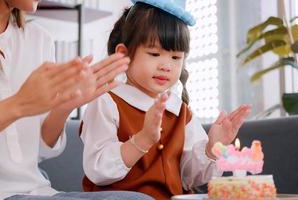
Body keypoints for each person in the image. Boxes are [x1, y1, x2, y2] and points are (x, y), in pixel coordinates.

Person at [0, 0, 153, 200]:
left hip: (37, 191)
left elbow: (40, 150)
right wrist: (18, 105)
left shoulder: (38, 39)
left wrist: (65, 105)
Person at [79, 0, 252, 199]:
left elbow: (192, 177)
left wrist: (213, 148)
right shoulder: (107, 102)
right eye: (154, 54)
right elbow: (98, 169)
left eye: (176, 57)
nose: (166, 66)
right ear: (123, 55)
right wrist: (142, 139)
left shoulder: (180, 111)